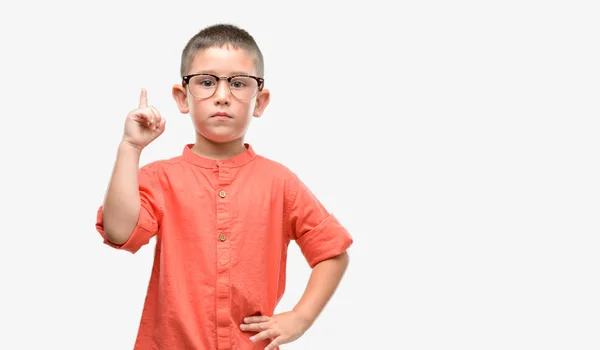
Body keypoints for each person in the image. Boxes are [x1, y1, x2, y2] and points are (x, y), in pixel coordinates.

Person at [95, 23, 353, 350]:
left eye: (238, 84)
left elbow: (332, 253)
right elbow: (118, 232)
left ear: (259, 102)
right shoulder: (160, 178)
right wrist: (130, 148)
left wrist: (300, 318)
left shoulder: (280, 182)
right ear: (182, 97)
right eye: (206, 82)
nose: (221, 96)